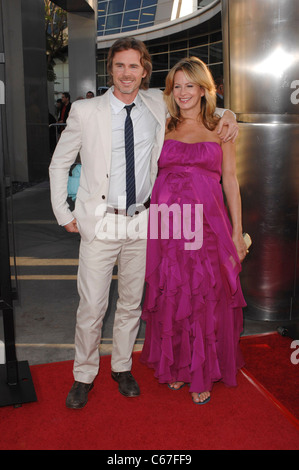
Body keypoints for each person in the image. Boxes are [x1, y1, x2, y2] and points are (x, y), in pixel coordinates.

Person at [49, 37, 238, 410]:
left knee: (132, 305)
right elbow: (60, 163)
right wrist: (64, 212)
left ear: (144, 71)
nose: (126, 73)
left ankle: (122, 368)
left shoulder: (156, 103)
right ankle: (83, 376)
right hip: (101, 223)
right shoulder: (85, 111)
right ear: (111, 70)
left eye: (134, 66)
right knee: (92, 307)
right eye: (120, 65)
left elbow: (198, 102)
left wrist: (229, 115)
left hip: (146, 223)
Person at [140, 57, 247, 405]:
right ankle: (176, 366)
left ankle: (201, 372)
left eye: (190, 85)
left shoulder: (221, 127)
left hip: (208, 225)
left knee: (204, 295)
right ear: (169, 91)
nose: (183, 92)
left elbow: (230, 180)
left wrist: (237, 231)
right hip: (167, 227)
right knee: (173, 292)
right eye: (177, 86)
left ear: (203, 88)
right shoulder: (161, 124)